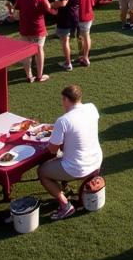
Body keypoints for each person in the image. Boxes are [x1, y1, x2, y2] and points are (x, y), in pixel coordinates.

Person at [38, 83, 102, 220]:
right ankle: (65, 187)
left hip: (77, 167)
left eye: (62, 100)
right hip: (96, 160)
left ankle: (65, 205)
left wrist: (46, 144)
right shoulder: (92, 108)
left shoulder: (63, 121)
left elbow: (53, 149)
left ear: (66, 99)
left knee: (42, 171)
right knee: (62, 156)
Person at [16, 0, 52, 82]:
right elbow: (50, 10)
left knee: (26, 53)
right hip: (38, 30)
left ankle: (29, 76)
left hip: (25, 29)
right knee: (39, 50)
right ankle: (39, 75)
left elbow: (16, 10)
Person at [52, 0, 80, 71]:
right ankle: (80, 57)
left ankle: (68, 63)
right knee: (78, 37)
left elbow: (62, 3)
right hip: (76, 14)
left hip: (65, 16)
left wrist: (51, 5)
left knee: (65, 40)